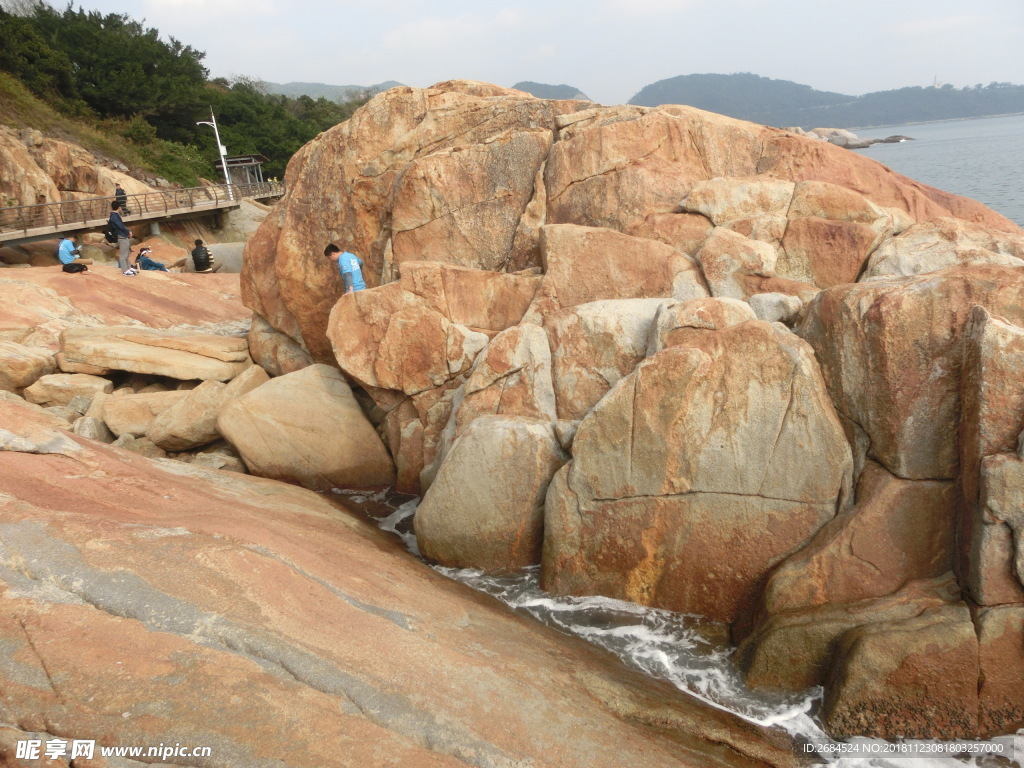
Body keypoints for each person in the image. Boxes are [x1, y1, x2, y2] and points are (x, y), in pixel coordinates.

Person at [108, 202, 135, 275]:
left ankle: (129, 268)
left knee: (126, 253)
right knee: (123, 255)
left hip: (122, 235)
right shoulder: (114, 216)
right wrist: (128, 231)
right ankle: (125, 271)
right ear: (119, 207)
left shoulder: (114, 215)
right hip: (121, 236)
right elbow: (121, 226)